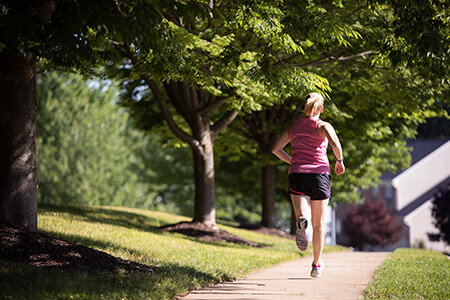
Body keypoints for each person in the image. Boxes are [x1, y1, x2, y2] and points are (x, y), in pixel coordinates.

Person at [272, 92, 345, 278]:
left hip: (297, 173)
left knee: (302, 212)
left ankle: (300, 221)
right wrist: (339, 161)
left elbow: (275, 149)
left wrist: (292, 161)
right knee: (318, 224)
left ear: (305, 107)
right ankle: (316, 264)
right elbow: (335, 144)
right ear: (320, 108)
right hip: (320, 174)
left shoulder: (295, 126)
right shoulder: (323, 126)